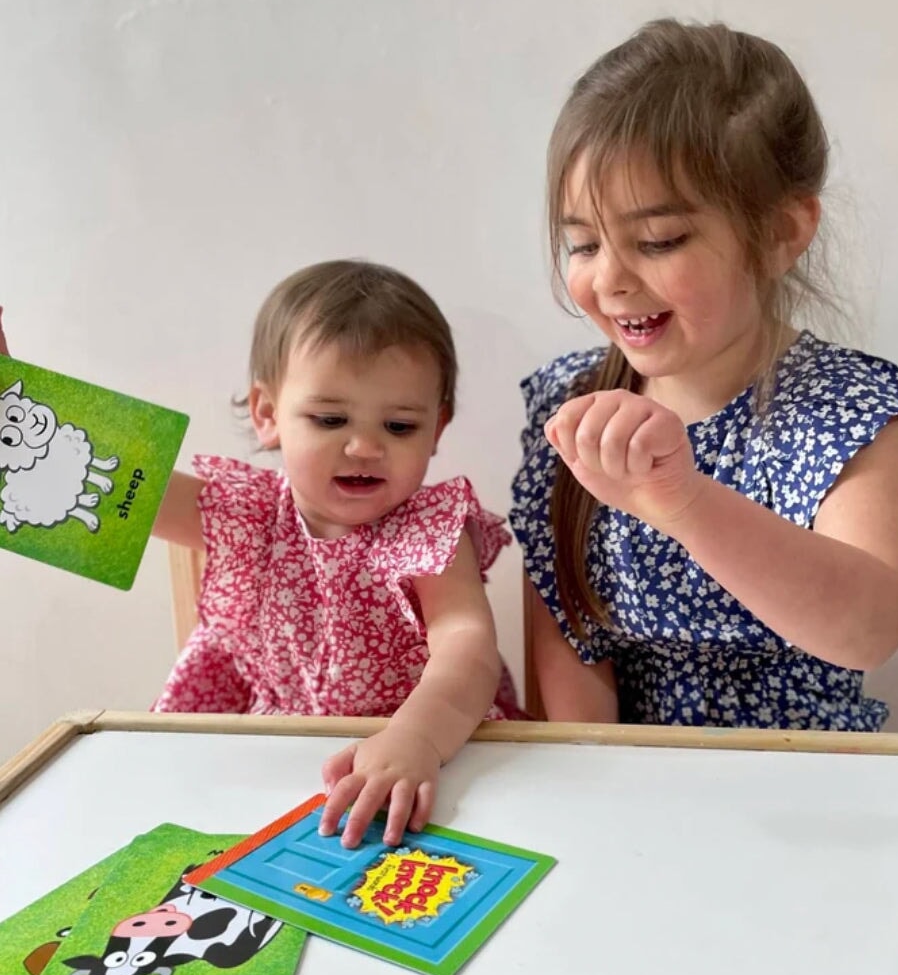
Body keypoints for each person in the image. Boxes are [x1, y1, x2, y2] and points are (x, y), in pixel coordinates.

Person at [510, 19, 898, 731]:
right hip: (625, 778)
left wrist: (683, 503)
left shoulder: (845, 408)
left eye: (658, 241)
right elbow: (565, 634)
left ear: (779, 233)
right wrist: (594, 771)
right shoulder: (571, 399)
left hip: (800, 779)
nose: (610, 279)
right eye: (582, 243)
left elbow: (868, 628)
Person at [1, 261, 522, 847]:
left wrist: (418, 739)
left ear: (438, 428)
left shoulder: (430, 529)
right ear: (268, 414)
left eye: (400, 426)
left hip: (427, 744)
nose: (365, 446)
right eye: (330, 419)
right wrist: (13, 403)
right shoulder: (248, 514)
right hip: (277, 748)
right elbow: (125, 487)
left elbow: (468, 649)